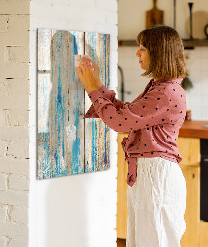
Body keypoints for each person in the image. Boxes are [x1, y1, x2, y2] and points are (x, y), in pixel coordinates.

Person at [75, 25, 188, 247]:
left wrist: (91, 89)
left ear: (159, 52)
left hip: (156, 176)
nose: (137, 53)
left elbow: (119, 122)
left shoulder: (165, 92)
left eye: (143, 48)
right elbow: (127, 115)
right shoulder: (161, 87)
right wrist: (97, 85)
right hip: (150, 174)